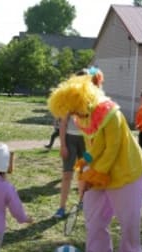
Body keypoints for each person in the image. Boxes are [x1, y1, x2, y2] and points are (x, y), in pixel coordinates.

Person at [48, 74, 142, 252]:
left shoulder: (112, 115)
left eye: (77, 111)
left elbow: (113, 148)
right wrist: (86, 165)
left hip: (126, 170)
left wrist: (94, 176)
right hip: (100, 169)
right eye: (72, 112)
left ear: (86, 101)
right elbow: (94, 146)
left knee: (128, 217)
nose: (75, 116)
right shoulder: (80, 116)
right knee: (93, 213)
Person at [53, 67, 102, 219]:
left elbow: (96, 123)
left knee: (84, 173)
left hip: (85, 142)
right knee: (67, 175)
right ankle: (61, 207)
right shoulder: (69, 99)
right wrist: (63, 145)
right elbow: (63, 124)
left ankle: (82, 201)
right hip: (70, 140)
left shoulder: (92, 99)